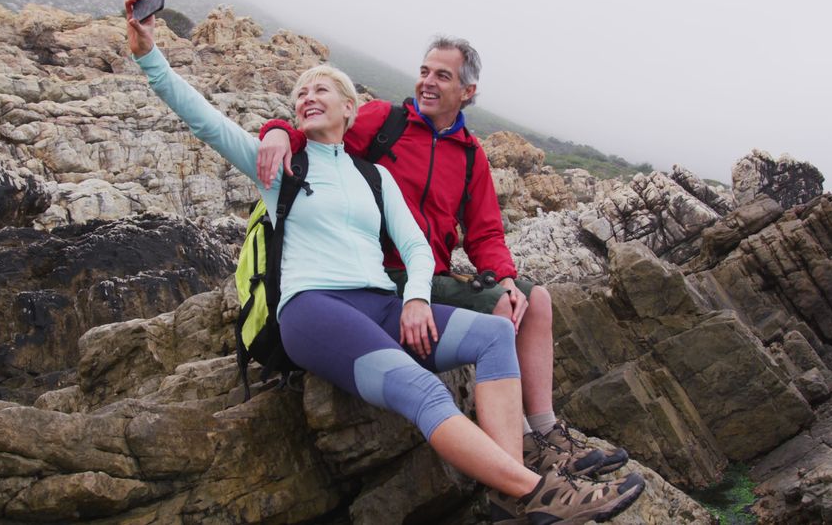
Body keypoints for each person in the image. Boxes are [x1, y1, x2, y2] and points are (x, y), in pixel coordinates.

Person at [125, 0, 644, 525]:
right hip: (312, 308)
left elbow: (419, 246)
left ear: (350, 109)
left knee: (495, 334)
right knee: (419, 388)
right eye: (300, 92)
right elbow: (202, 118)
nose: (307, 96)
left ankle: (511, 491)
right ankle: (540, 491)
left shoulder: (373, 175)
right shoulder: (281, 168)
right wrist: (150, 54)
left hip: (381, 300)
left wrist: (418, 298)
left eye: (320, 89)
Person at [256, 37, 634, 521]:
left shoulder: (470, 154)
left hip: (428, 272)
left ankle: (545, 432)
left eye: (443, 76)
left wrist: (504, 277)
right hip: (380, 275)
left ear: (467, 91)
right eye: (425, 71)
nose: (428, 83)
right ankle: (520, 454)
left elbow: (486, 231)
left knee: (531, 302)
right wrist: (276, 130)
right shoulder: (383, 121)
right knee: (499, 311)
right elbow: (319, 130)